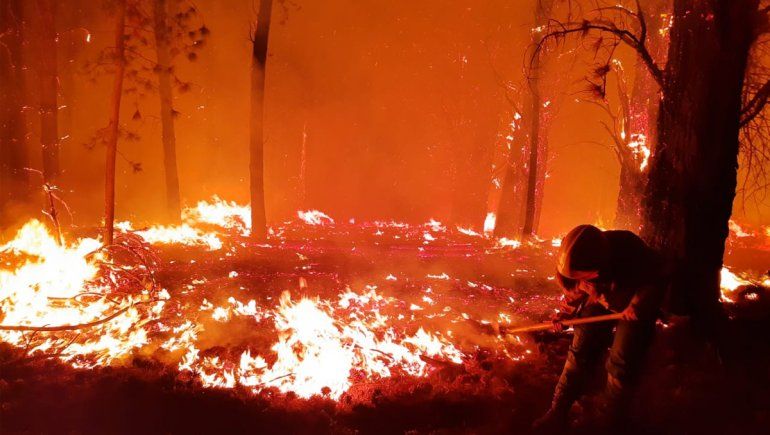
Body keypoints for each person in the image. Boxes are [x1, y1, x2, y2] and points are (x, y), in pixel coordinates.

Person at [533, 224, 665, 432]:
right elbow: (575, 290)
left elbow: (655, 280)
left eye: (584, 276)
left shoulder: (630, 251)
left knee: (621, 362)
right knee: (579, 351)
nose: (580, 280)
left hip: (631, 308)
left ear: (598, 266)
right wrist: (565, 314)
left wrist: (637, 304)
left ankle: (608, 421)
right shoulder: (574, 258)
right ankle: (558, 411)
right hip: (601, 301)